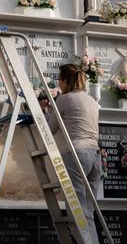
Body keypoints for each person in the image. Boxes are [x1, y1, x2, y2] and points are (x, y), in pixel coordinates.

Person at [39, 63, 102, 230]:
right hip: (95, 157)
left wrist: (44, 110)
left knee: (76, 209)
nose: (58, 83)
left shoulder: (64, 99)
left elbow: (50, 129)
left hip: (76, 155)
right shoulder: (92, 100)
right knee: (88, 212)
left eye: (59, 79)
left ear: (66, 81)